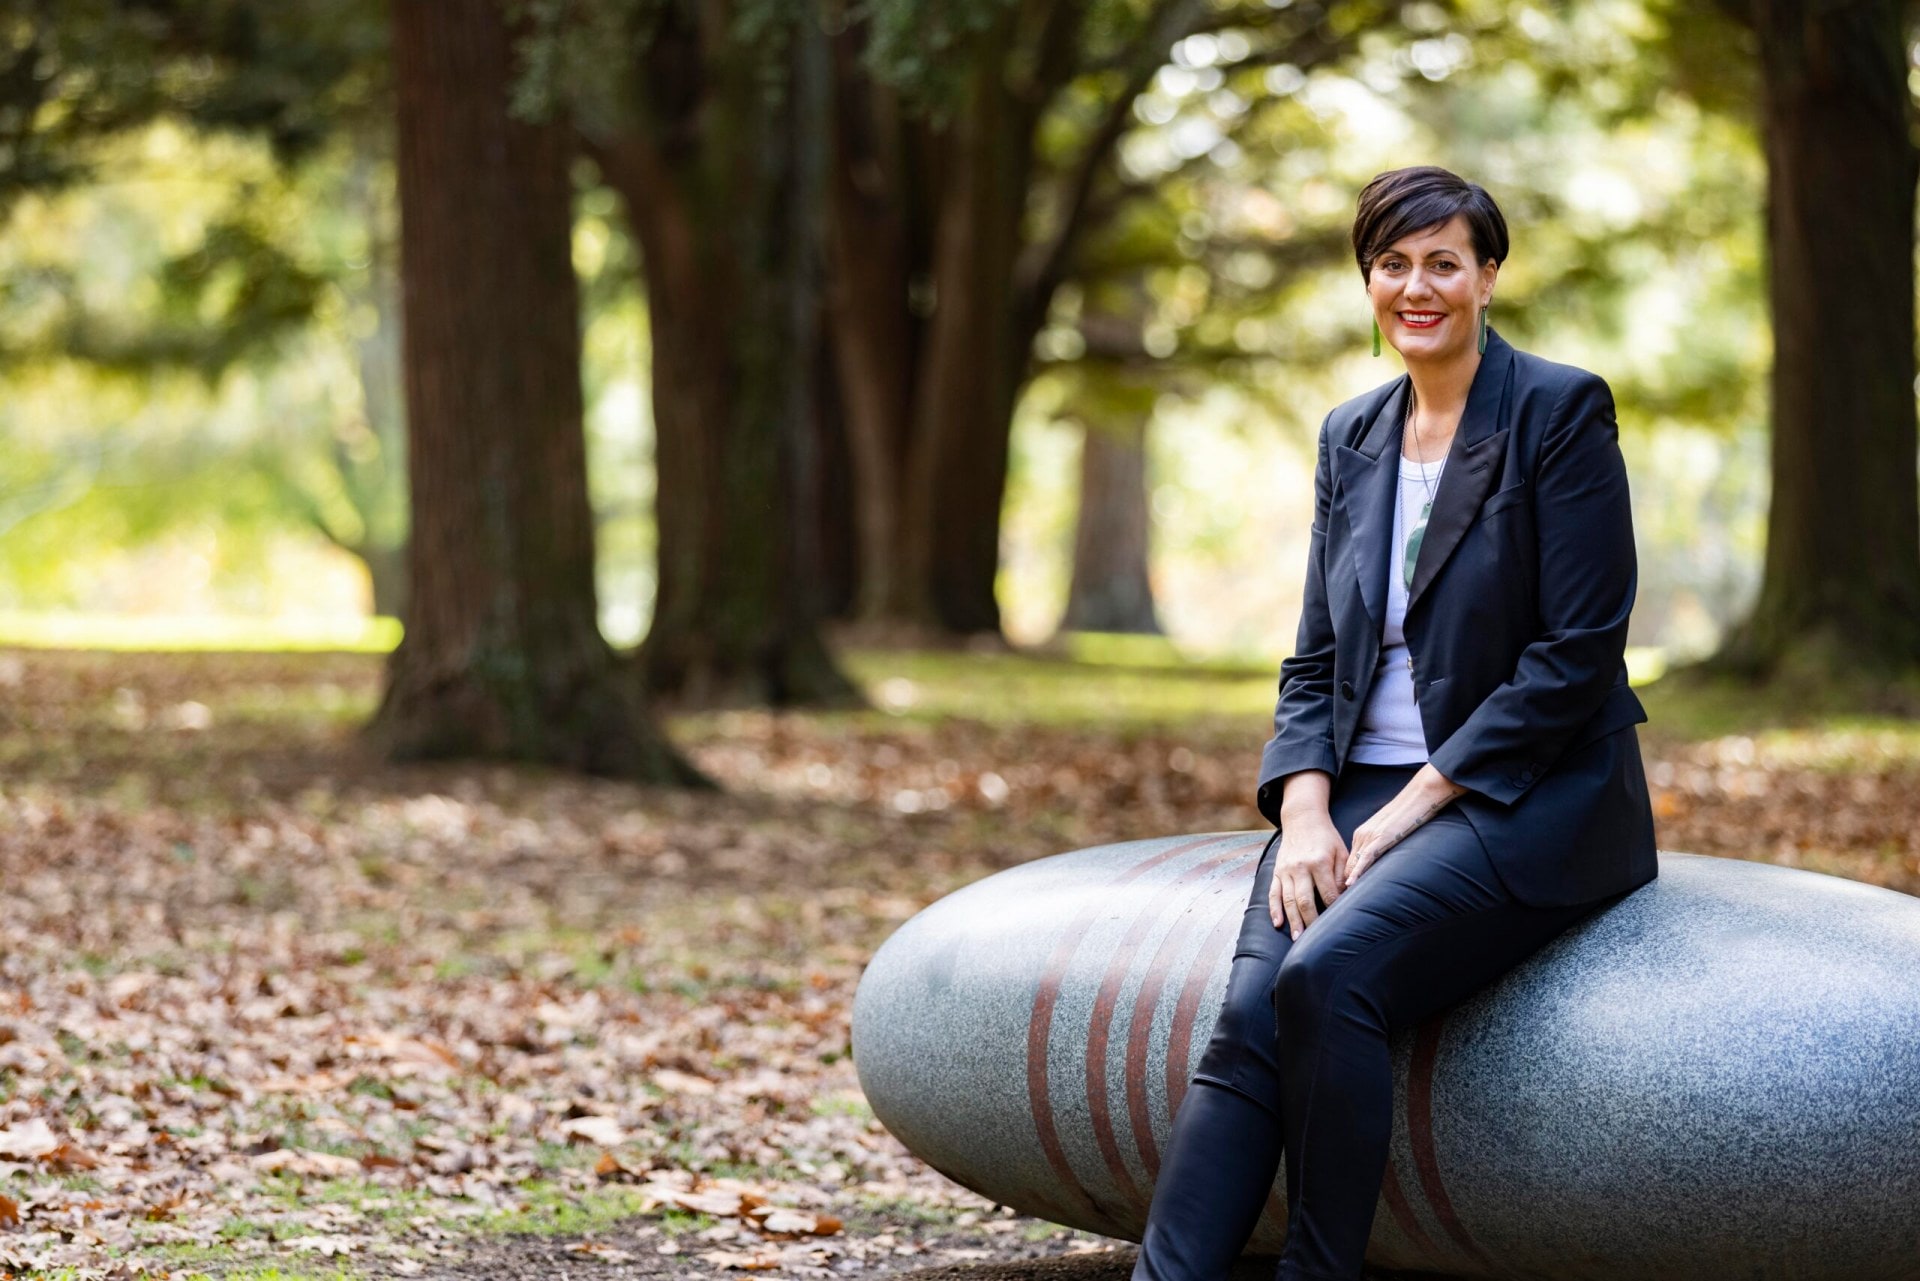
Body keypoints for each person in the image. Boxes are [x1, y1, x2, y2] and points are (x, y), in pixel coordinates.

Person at [1130, 165, 1658, 1281]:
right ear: (1368, 279)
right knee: (1251, 1018)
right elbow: (1317, 653)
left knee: (1328, 978)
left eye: (1442, 264)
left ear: (1488, 277)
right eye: (1392, 264)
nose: (1416, 286)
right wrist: (1308, 806)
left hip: (1525, 792)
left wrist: (1418, 802)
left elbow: (1576, 657)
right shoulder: (1351, 435)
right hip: (1355, 794)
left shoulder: (1558, 413)